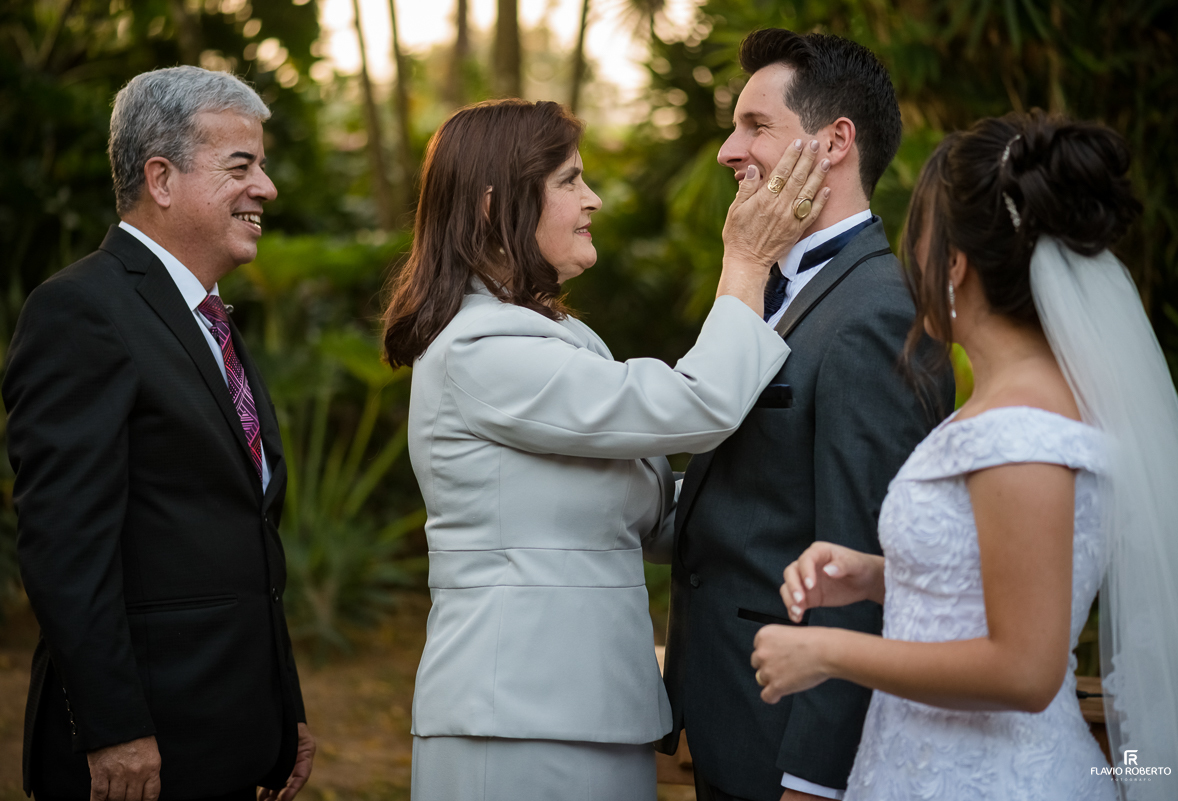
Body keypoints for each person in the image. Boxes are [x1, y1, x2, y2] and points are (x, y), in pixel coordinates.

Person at [382, 99, 831, 801]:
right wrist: (746, 261)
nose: (593, 200)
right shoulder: (482, 348)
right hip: (517, 718)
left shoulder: (564, 339)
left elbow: (654, 518)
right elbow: (696, 404)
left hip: (589, 710)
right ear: (496, 205)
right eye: (569, 180)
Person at [751, 111, 1178, 799]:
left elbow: (1025, 669)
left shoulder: (1020, 428)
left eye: (919, 244)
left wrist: (828, 651)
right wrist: (877, 575)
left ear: (954, 264)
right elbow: (996, 579)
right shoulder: (1019, 404)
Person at [658, 29, 955, 801]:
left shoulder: (875, 314)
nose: (729, 150)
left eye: (755, 125)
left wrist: (814, 777)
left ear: (834, 143)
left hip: (788, 738)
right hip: (730, 702)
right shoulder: (766, 288)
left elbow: (863, 558)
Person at [4, 66, 314, 801]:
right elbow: (64, 547)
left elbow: (246, 538)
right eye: (242, 166)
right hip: (142, 752)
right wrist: (113, 728)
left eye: (261, 166)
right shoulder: (80, 312)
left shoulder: (210, 321)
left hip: (235, 735)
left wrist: (284, 708)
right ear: (162, 178)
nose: (266, 187)